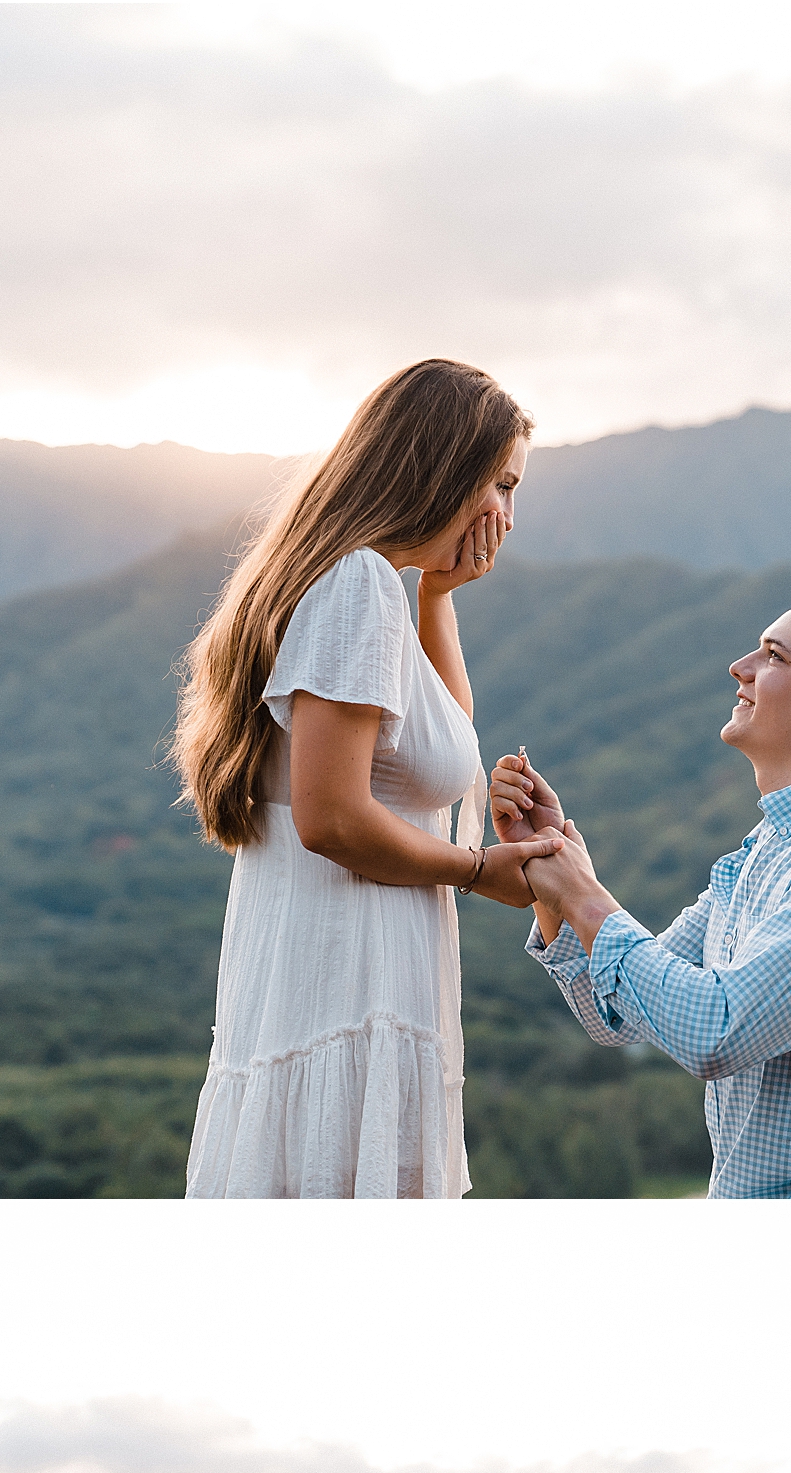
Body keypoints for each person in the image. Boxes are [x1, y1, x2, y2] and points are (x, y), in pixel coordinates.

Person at [174, 358, 564, 1199]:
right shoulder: (353, 586)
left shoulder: (371, 586)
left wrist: (436, 595)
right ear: (442, 468)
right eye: (499, 482)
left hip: (332, 967)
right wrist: (475, 871)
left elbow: (437, 743)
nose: (506, 511)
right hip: (345, 977)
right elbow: (333, 817)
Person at [490, 585, 791, 1199]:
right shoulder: (763, 851)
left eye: (774, 657)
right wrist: (555, 873)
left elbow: (714, 1032)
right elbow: (619, 1018)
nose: (741, 668)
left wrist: (584, 897)